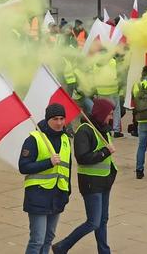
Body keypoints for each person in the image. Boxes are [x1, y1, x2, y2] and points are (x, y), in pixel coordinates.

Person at [52, 99, 117, 254]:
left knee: (103, 220)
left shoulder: (103, 129)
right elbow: (82, 157)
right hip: (91, 182)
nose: (111, 117)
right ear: (101, 114)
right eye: (109, 114)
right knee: (93, 222)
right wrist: (105, 152)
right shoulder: (84, 130)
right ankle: (62, 246)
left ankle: (104, 250)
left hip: (104, 180)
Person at [19, 104, 71, 254]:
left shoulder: (65, 138)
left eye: (62, 118)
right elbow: (24, 166)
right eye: (55, 119)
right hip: (38, 195)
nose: (59, 122)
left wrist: (67, 191)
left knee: (49, 237)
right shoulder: (34, 139)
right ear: (48, 119)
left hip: (58, 194)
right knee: (37, 240)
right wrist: (48, 162)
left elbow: (68, 167)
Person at [93, 56, 123, 137]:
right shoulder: (113, 62)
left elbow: (93, 77)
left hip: (101, 91)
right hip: (113, 90)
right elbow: (119, 74)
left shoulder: (95, 63)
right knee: (116, 110)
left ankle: (104, 129)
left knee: (103, 111)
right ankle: (116, 131)